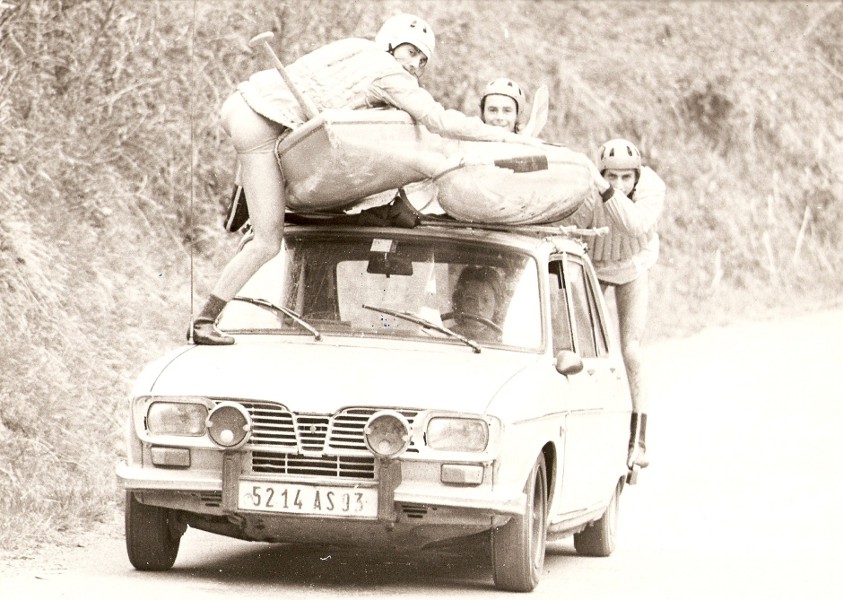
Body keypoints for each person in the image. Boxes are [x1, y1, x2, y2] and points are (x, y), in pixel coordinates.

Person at [192, 14, 541, 345]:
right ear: (392, 46)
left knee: (279, 191)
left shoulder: (353, 46)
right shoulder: (392, 78)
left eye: (422, 60)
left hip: (240, 103)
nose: (415, 64)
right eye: (411, 52)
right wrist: (512, 139)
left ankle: (244, 191)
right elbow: (438, 119)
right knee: (267, 242)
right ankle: (205, 321)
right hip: (260, 127)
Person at [563, 138, 666, 470]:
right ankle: (581, 425)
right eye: (613, 177)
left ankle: (639, 440)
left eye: (627, 178)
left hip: (634, 263)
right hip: (593, 266)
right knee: (580, 346)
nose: (620, 185)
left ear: (637, 176)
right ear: (603, 173)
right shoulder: (589, 193)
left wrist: (606, 190)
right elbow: (569, 229)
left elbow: (633, 224)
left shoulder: (652, 188)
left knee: (631, 349)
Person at [448, 266, 504, 342]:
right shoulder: (446, 336)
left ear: (496, 304)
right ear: (460, 301)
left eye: (486, 300)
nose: (479, 306)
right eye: (470, 299)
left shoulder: (503, 340)